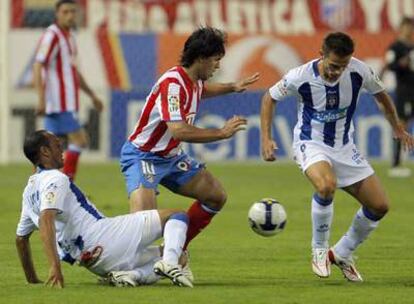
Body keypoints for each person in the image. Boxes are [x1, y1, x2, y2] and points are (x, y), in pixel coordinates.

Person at [260, 32, 414, 282]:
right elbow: (269, 98)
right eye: (332, 66)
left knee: (379, 206)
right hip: (311, 143)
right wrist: (266, 138)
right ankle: (319, 249)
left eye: (342, 67)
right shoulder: (300, 75)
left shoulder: (359, 71)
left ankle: (342, 252)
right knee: (326, 185)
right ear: (321, 54)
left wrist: (396, 126)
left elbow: (382, 95)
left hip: (344, 147)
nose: (336, 72)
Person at [120, 27, 259, 251]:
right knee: (143, 224)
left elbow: (202, 90)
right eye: (216, 60)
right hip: (143, 156)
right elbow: (179, 131)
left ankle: (176, 247)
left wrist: (232, 87)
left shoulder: (192, 80)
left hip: (171, 158)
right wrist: (221, 133)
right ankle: (118, 265)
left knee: (215, 196)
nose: (218, 66)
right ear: (201, 58)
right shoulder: (172, 84)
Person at [16, 130, 193, 288]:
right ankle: (168, 263)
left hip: (95, 262)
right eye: (56, 144)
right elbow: (46, 219)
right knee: (177, 215)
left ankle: (131, 275)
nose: (62, 148)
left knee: (181, 257)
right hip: (107, 237)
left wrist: (31, 279)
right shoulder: (55, 178)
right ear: (45, 151)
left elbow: (21, 240)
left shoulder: (28, 193)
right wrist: (55, 266)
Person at [33, 0, 104, 181]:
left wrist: (92, 95)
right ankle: (66, 185)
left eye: (73, 12)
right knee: (79, 141)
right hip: (58, 102)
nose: (70, 15)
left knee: (48, 152)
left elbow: (73, 72)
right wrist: (41, 98)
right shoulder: (53, 35)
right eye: (65, 12)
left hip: (65, 102)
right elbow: (38, 65)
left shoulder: (69, 37)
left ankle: (39, 187)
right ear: (57, 14)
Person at [383, 16, 414, 177]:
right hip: (404, 90)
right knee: (402, 124)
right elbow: (390, 65)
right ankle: (396, 163)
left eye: (411, 27)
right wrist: (400, 63)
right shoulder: (396, 47)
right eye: (407, 27)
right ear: (401, 28)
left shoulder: (412, 46)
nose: (409, 30)